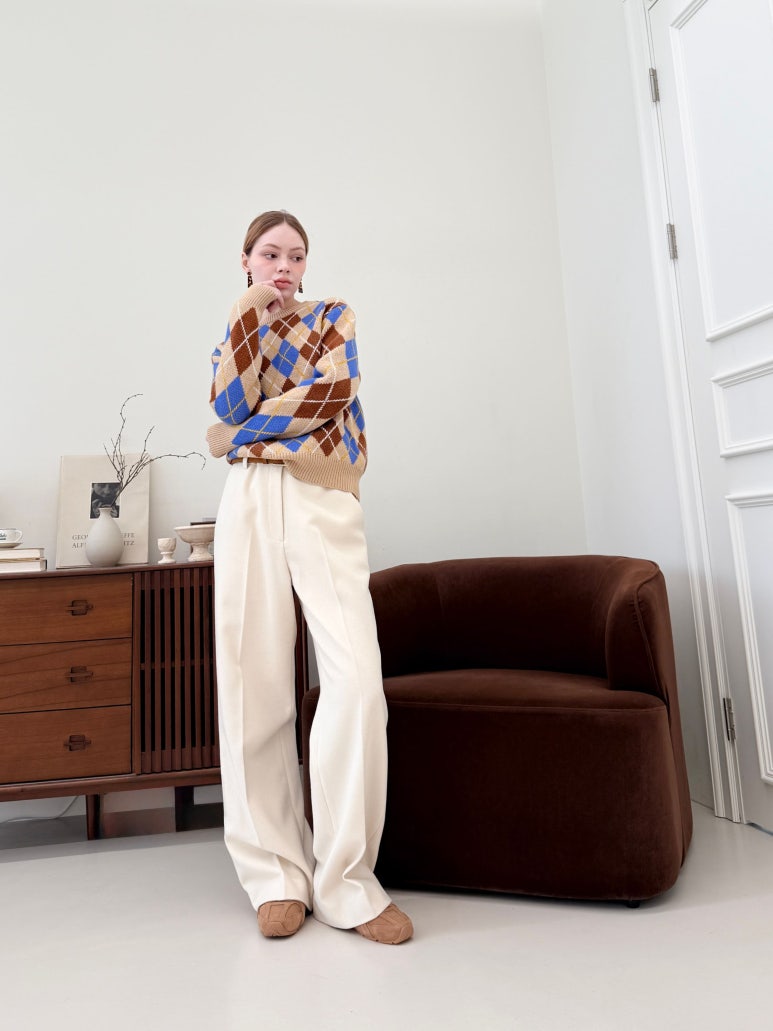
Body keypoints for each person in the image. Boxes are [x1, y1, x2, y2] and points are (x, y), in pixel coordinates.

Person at [205, 210, 413, 945]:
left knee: (356, 679)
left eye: (295, 255)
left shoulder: (332, 317)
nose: (284, 267)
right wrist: (247, 318)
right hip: (249, 501)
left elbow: (331, 396)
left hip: (322, 492)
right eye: (270, 254)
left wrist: (237, 436)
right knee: (251, 681)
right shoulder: (238, 329)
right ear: (247, 261)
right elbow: (226, 402)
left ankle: (347, 883)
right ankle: (275, 877)